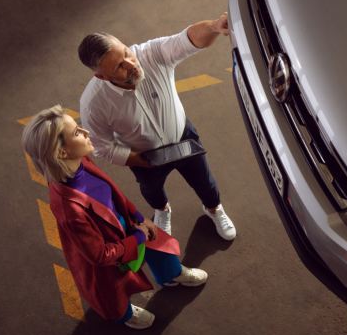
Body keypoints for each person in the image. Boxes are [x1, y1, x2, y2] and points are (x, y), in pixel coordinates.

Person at [22, 105, 209, 330]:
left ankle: (172, 274)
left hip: (126, 227)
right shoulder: (70, 209)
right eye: (77, 133)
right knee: (114, 293)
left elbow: (113, 193)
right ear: (62, 152)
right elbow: (100, 255)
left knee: (160, 247)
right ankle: (126, 315)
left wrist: (139, 217)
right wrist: (137, 238)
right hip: (110, 250)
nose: (86, 132)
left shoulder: (80, 162)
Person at [77, 14, 236, 241]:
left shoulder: (150, 54)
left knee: (205, 181)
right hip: (144, 156)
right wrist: (137, 160)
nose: (131, 65)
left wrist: (213, 27)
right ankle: (162, 210)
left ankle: (213, 209)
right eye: (119, 67)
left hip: (183, 136)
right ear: (101, 76)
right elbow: (101, 146)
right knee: (152, 191)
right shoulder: (93, 104)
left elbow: (186, 40)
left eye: (126, 53)